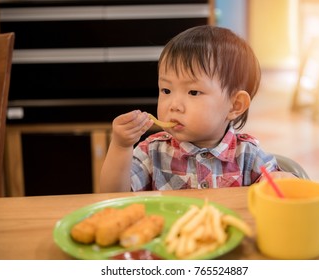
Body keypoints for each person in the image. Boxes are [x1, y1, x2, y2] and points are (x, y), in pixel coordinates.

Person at [100, 25, 294, 193]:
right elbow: (113, 195)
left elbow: (281, 190)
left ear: (235, 105)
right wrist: (121, 146)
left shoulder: (248, 155)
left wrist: (282, 181)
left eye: (193, 92)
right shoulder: (153, 151)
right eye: (166, 90)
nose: (174, 105)